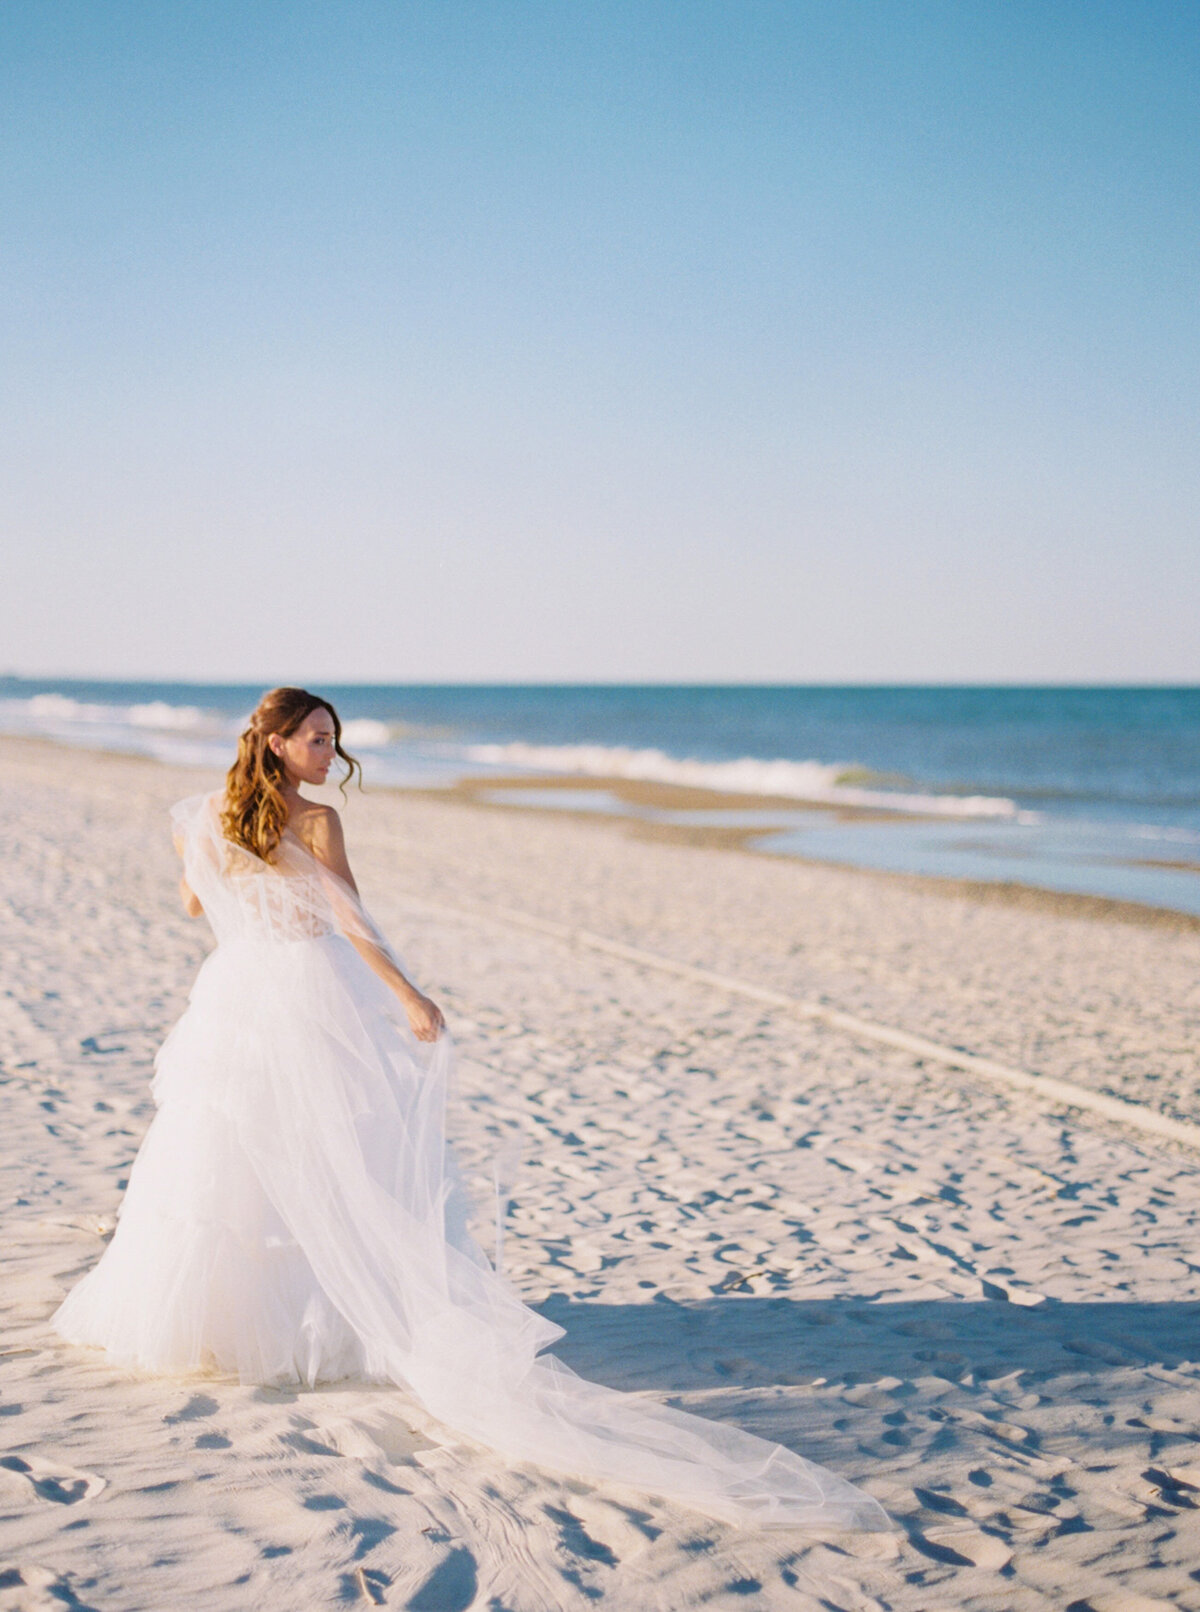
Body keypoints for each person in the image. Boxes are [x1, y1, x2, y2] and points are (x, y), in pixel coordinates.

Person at [53, 687, 888, 1532]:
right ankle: (281, 1324)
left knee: (275, 1144)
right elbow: (349, 919)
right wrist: (410, 996)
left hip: (239, 988)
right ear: (272, 744)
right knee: (258, 1148)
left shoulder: (208, 817)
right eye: (313, 740)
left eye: (333, 741)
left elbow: (197, 906)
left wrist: (193, 856)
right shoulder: (313, 825)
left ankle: (235, 1327)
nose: (328, 755)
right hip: (301, 990)